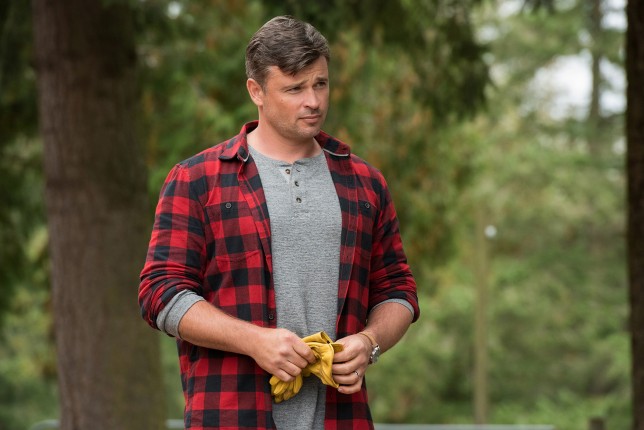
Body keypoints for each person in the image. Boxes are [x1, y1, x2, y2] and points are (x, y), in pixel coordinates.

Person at [139, 15, 419, 430]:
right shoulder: (197, 180)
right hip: (232, 416)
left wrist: (369, 341)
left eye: (320, 84)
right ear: (256, 91)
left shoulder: (365, 183)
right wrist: (254, 341)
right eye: (295, 88)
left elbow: (398, 290)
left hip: (342, 418)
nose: (313, 101)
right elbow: (160, 293)